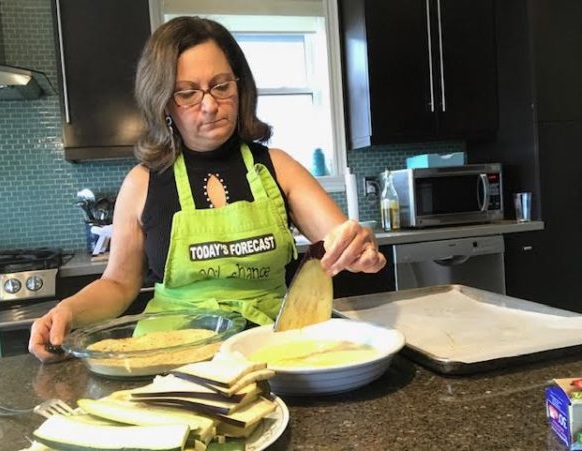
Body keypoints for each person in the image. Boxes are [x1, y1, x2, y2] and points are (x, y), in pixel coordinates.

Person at [29, 16, 386, 362]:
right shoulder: (142, 182)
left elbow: (339, 240)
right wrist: (68, 311)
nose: (210, 105)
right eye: (187, 93)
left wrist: (358, 248)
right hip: (176, 359)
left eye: (221, 86)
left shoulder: (279, 167)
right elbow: (119, 284)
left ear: (239, 86)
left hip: (273, 349)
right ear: (164, 102)